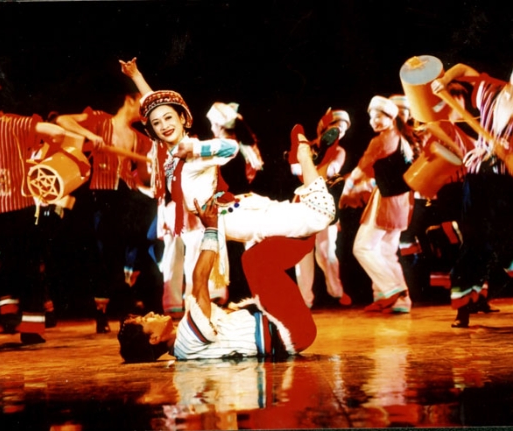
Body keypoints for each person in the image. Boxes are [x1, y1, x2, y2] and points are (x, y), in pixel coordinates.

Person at [120, 58, 336, 299]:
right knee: (259, 257)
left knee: (319, 214)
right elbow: (156, 106)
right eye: (157, 123)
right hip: (229, 215)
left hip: (236, 215)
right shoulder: (169, 151)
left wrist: (196, 149)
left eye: (169, 118)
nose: (163, 125)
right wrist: (136, 76)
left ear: (182, 118)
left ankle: (304, 153)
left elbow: (230, 148)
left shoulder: (191, 148)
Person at [117, 168, 320, 361]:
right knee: (255, 261)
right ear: (154, 339)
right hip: (290, 329)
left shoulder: (185, 345)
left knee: (255, 256)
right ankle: (314, 214)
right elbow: (199, 280)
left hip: (285, 326)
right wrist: (211, 229)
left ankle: (307, 213)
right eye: (145, 321)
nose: (149, 314)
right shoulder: (187, 338)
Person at [430, 53, 513, 327]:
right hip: (476, 176)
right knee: (472, 239)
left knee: (490, 241)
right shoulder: (489, 90)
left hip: (503, 181)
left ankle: (511, 256)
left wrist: (502, 151)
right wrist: (444, 80)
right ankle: (464, 306)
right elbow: (462, 68)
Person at [0, 79, 77, 344]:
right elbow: (57, 133)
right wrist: (37, 152)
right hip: (20, 205)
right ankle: (31, 329)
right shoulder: (18, 124)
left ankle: (8, 314)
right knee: (29, 264)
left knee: (3, 263)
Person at [54, 82, 162, 334]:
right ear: (129, 99)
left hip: (124, 195)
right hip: (100, 195)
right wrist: (92, 137)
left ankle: (131, 305)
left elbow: (144, 176)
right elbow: (62, 121)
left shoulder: (139, 138)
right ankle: (104, 311)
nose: (145, 112)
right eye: (142, 104)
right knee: (106, 254)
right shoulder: (101, 121)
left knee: (132, 246)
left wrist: (157, 164)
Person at [340, 96, 414, 313]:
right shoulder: (402, 139)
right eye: (371, 117)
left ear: (391, 118)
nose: (374, 121)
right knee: (386, 250)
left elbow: (362, 167)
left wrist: (346, 191)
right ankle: (400, 300)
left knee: (362, 247)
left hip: (387, 202)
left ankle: (392, 290)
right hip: (400, 202)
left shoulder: (381, 140)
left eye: (379, 117)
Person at [292, 108, 352, 307]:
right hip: (304, 202)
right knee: (303, 253)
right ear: (325, 127)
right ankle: (304, 299)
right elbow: (296, 170)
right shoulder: (306, 147)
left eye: (343, 130)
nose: (339, 132)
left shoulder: (339, 152)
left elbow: (331, 171)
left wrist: (313, 162)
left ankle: (336, 291)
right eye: (336, 128)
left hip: (326, 204)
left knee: (326, 252)